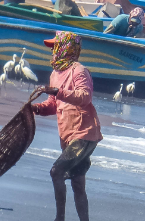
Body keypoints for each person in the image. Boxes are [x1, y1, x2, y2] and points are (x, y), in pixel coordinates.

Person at [32, 31, 103, 221]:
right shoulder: (55, 73)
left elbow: (84, 97)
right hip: (68, 136)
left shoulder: (79, 71)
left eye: (56, 47)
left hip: (85, 134)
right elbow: (54, 105)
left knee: (56, 171)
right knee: (78, 183)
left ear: (67, 48)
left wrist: (57, 91)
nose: (53, 52)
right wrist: (35, 109)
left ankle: (59, 218)